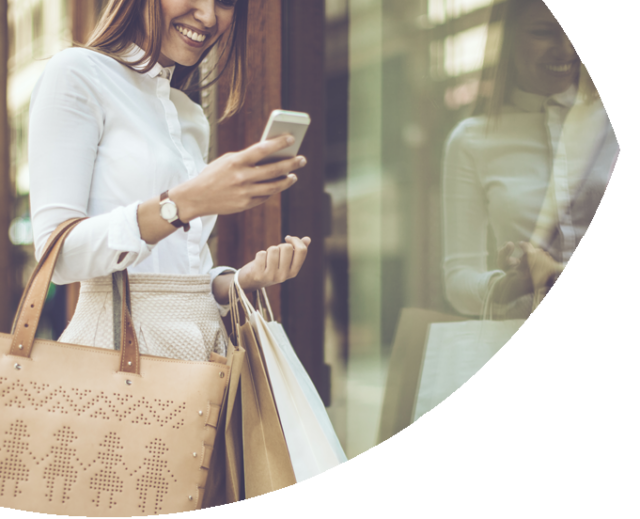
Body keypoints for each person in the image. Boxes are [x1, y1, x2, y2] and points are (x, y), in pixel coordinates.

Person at [29, 0, 310, 361]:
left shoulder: (189, 115)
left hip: (201, 358)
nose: (208, 17)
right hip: (115, 358)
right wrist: (184, 203)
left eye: (224, 2)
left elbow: (178, 275)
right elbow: (58, 254)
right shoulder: (77, 73)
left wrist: (240, 281)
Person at [442, 0, 608, 318]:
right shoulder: (470, 140)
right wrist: (503, 287)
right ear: (508, 37)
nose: (566, 48)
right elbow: (458, 279)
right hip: (527, 356)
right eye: (543, 32)